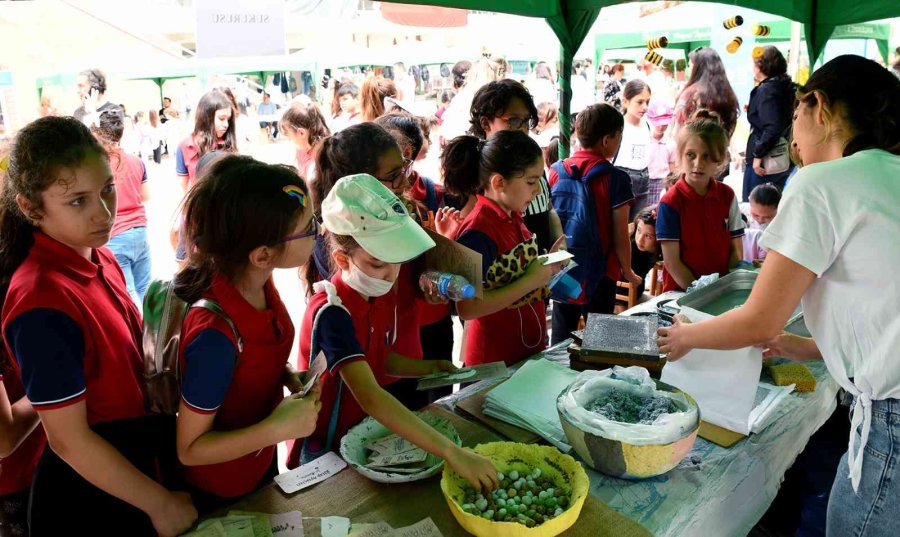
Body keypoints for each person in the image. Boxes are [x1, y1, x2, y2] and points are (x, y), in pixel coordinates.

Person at [657, 55, 900, 537]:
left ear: (819, 107)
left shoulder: (821, 182)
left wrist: (688, 338)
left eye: (795, 118)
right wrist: (805, 347)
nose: (793, 137)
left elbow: (758, 322)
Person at [1, 117, 197, 536]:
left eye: (107, 189)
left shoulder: (97, 255)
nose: (104, 212)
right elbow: (69, 440)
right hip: (95, 492)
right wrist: (159, 503)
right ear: (31, 208)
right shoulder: (41, 301)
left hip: (136, 458)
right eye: (78, 201)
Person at [288, 174, 499, 490]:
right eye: (377, 264)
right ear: (342, 259)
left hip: (358, 436)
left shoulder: (373, 295)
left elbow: (377, 361)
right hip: (326, 451)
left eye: (396, 262)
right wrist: (452, 453)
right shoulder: (333, 312)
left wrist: (426, 368)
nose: (390, 275)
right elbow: (370, 395)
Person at [173, 156, 321, 512]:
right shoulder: (215, 336)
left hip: (257, 461)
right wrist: (275, 430)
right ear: (263, 254)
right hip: (222, 487)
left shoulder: (256, 281)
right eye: (309, 226)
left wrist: (283, 374)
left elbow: (250, 359)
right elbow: (190, 449)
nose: (318, 230)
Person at [444, 130, 564, 365]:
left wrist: (549, 265)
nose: (538, 190)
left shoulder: (513, 215)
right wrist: (531, 280)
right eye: (531, 182)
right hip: (494, 360)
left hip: (522, 348)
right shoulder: (477, 231)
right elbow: (467, 307)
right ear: (498, 182)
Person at [548, 103, 640, 344]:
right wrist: (628, 270)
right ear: (607, 140)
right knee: (599, 340)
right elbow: (620, 234)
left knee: (560, 337)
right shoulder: (616, 178)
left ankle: (557, 378)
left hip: (563, 268)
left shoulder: (557, 170)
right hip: (601, 272)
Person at [468, 79, 563, 256]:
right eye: (513, 120)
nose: (523, 129)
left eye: (526, 121)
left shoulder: (531, 162)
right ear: (485, 123)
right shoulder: (476, 174)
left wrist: (559, 239)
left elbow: (548, 207)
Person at [656, 111, 744, 292]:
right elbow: (672, 262)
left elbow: (736, 251)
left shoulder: (727, 196)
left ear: (719, 159)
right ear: (680, 156)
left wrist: (726, 287)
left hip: (721, 291)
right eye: (691, 155)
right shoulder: (670, 203)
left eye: (706, 156)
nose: (698, 164)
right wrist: (700, 294)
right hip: (680, 296)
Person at [89, 108, 152, 309]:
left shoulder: (97, 165)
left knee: (126, 292)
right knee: (146, 289)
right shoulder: (136, 161)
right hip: (140, 231)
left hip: (114, 235)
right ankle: (158, 334)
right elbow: (146, 196)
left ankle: (137, 337)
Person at [743, 46, 795, 201]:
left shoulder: (767, 90)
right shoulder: (785, 86)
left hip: (767, 161)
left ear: (760, 66)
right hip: (784, 157)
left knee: (755, 206)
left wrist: (758, 154)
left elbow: (772, 127)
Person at [175, 89, 237, 191]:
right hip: (199, 205)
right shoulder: (185, 146)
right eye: (221, 119)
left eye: (228, 120)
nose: (226, 124)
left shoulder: (229, 144)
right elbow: (183, 189)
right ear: (207, 117)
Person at [673, 48, 740, 138]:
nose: (688, 68)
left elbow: (678, 129)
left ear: (696, 68)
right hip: (719, 147)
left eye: (689, 65)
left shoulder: (690, 93)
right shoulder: (727, 94)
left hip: (695, 146)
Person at [613, 80, 653, 219]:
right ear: (625, 101)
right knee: (621, 224)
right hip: (623, 175)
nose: (644, 107)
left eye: (647, 102)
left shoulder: (648, 124)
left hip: (644, 176)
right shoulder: (619, 126)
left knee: (639, 222)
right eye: (639, 102)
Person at [279, 100, 330, 181]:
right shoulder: (302, 151)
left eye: (289, 137)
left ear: (301, 133)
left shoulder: (321, 159)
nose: (289, 141)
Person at [645, 101, 676, 204]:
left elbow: (672, 164)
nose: (661, 127)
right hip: (646, 180)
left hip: (663, 181)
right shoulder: (644, 141)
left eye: (664, 124)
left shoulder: (671, 144)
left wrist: (672, 183)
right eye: (657, 123)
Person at [627, 205, 661, 296]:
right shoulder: (629, 244)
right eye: (639, 230)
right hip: (622, 295)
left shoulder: (662, 247)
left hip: (637, 293)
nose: (640, 239)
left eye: (647, 236)